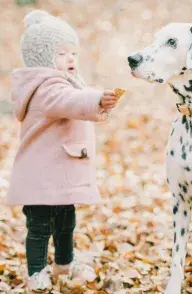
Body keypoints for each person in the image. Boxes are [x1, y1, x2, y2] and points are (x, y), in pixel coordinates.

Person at [6, 10, 118, 292]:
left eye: (73, 53)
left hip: (59, 175)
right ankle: (36, 272)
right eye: (62, 53)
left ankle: (65, 263)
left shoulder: (67, 83)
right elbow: (69, 100)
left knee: (66, 221)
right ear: (43, 58)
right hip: (41, 176)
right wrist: (96, 99)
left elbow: (77, 95)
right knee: (39, 227)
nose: (71, 59)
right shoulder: (45, 88)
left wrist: (98, 99)